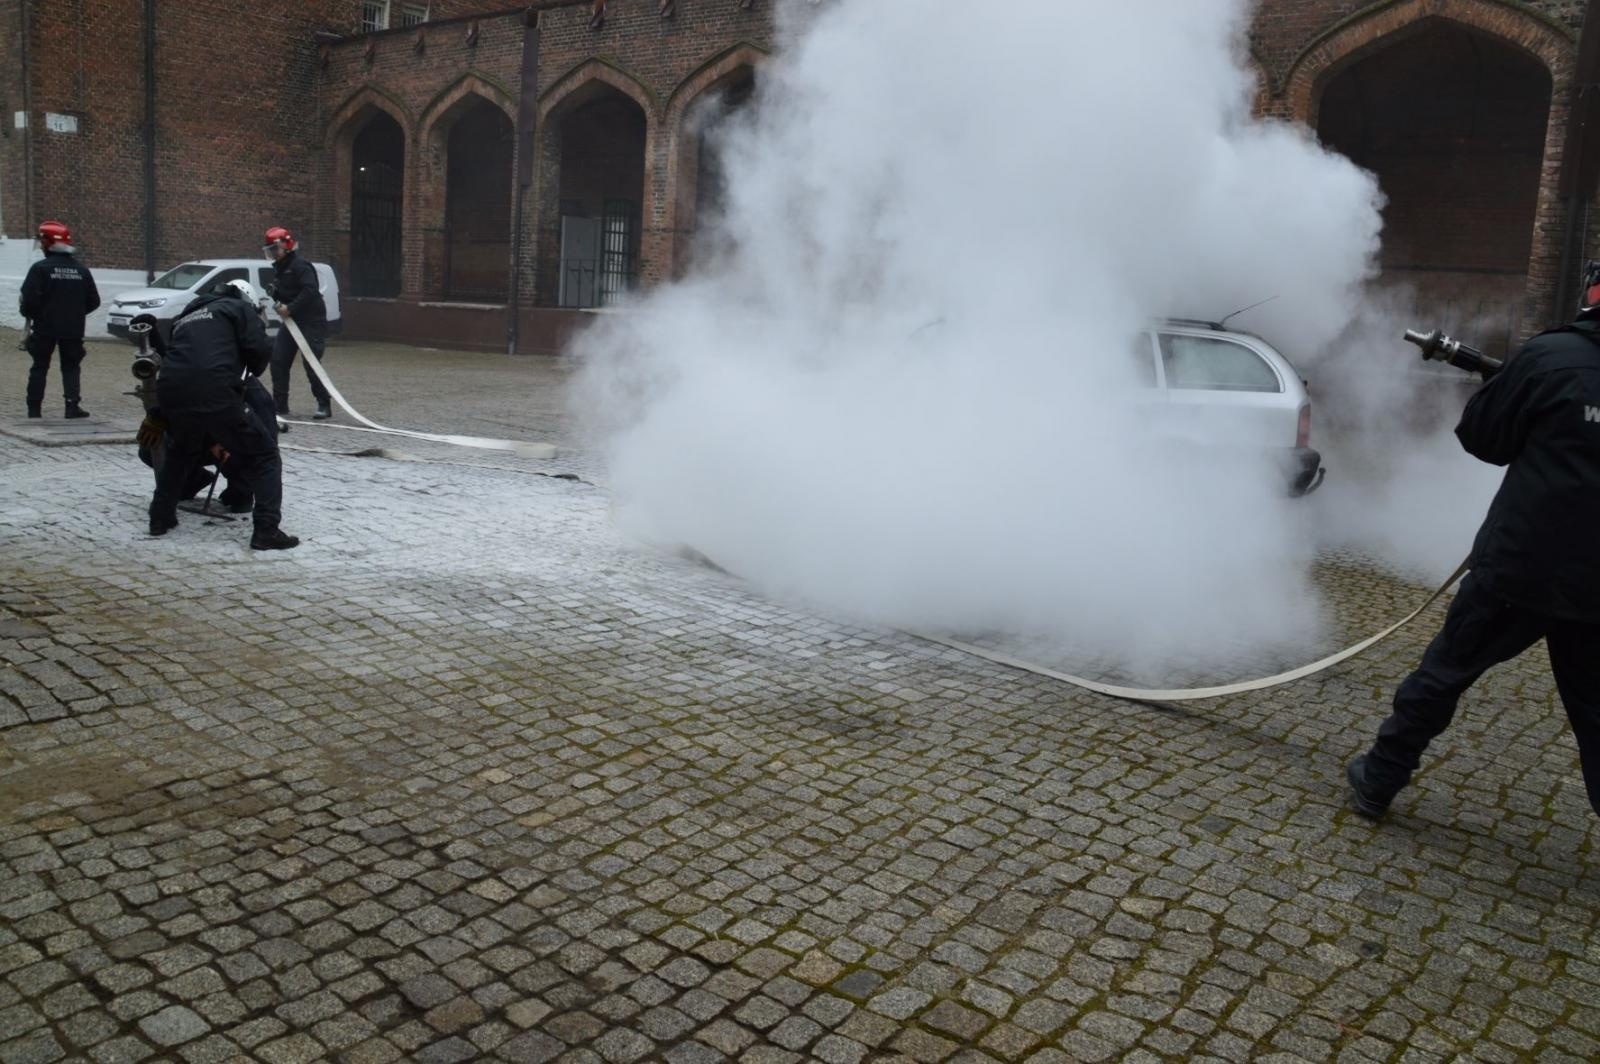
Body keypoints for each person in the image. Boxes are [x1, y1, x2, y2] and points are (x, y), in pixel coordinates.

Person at [1347, 262, 1600, 821]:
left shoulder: (1550, 356)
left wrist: (1511, 396)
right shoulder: (1551, 358)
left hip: (1519, 566)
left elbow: (1485, 440)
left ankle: (1379, 780)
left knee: (1443, 675)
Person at [147, 279, 299, 551]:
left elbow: (179, 358)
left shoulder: (186, 316)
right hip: (215, 389)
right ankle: (266, 530)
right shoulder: (238, 308)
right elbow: (259, 348)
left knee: (179, 452)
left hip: (170, 392)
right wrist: (246, 369)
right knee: (265, 455)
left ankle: (160, 518)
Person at [18, 220, 100, 419]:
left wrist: (38, 315)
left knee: (39, 366)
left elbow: (28, 300)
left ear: (47, 243)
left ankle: (34, 409)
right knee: (71, 367)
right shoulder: (82, 270)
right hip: (73, 328)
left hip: (44, 327)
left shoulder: (40, 269)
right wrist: (75, 314)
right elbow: (94, 301)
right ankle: (72, 407)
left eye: (42, 242)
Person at [262, 226, 332, 421]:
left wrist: (290, 308)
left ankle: (324, 403)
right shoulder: (280, 268)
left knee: (311, 363)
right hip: (292, 322)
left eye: (275, 249)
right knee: (278, 360)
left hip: (311, 320)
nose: (273, 253)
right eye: (270, 250)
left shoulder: (301, 266)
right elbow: (288, 293)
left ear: (286, 245)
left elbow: (310, 290)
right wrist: (276, 295)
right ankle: (280, 406)